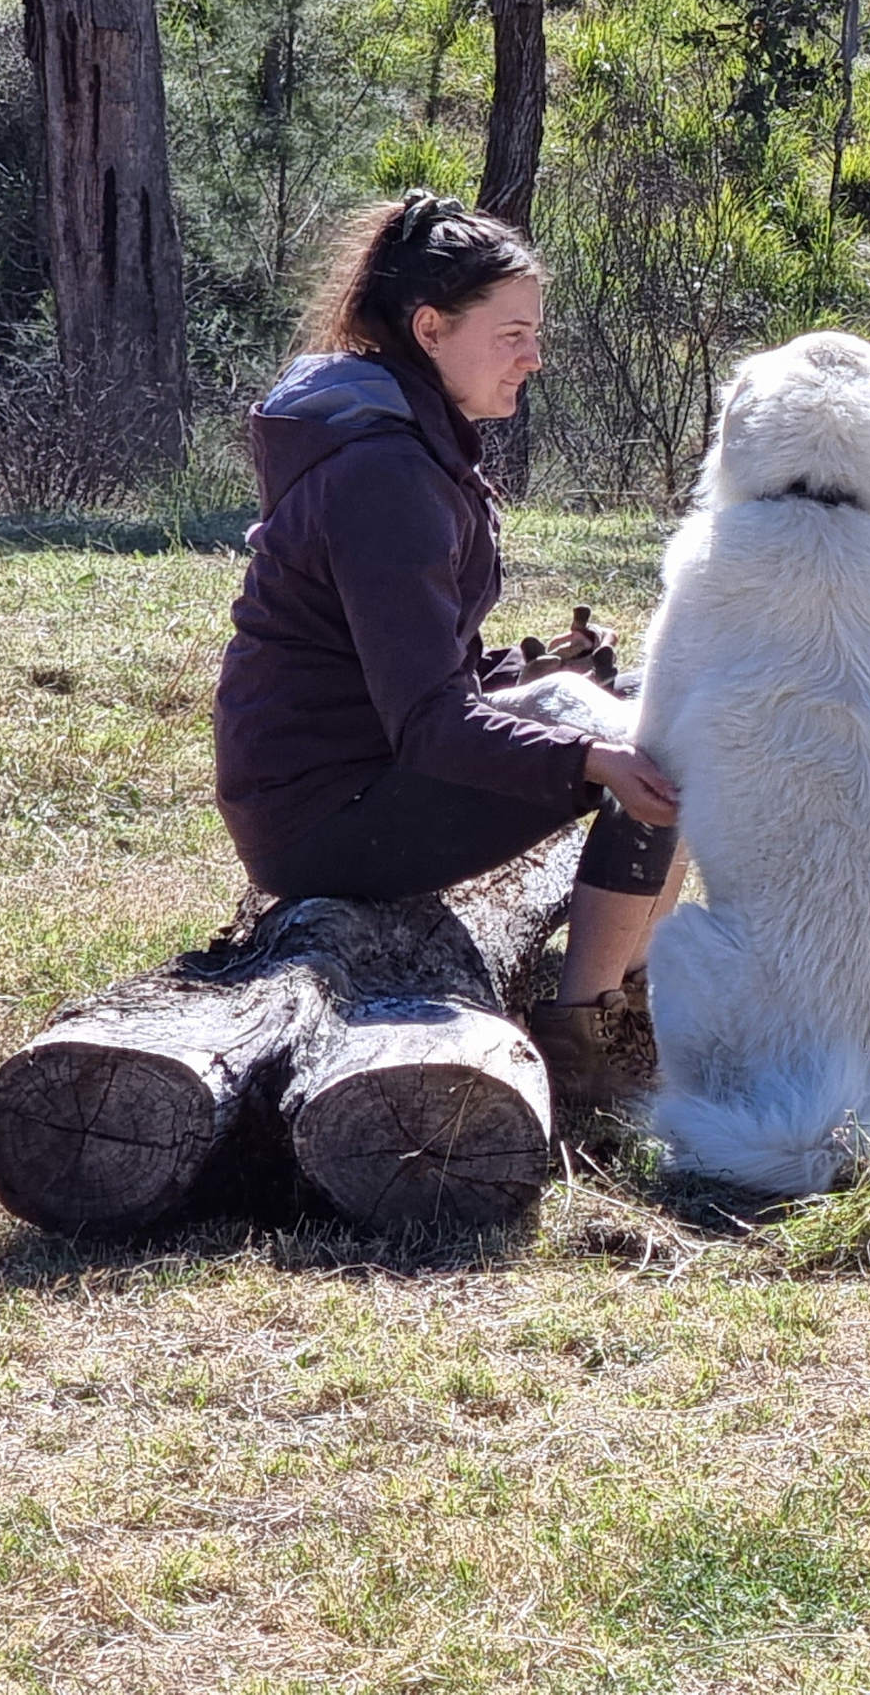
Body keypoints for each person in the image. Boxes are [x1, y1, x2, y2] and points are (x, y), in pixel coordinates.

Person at [210, 191, 682, 1115]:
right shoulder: (383, 474)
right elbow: (430, 724)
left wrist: (540, 673)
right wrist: (591, 754)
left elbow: (406, 675)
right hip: (324, 823)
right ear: (430, 328)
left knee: (647, 709)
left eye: (534, 332)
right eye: (510, 333)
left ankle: (621, 1003)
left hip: (345, 786)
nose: (533, 357)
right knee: (661, 754)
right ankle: (591, 1041)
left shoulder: (399, 441)